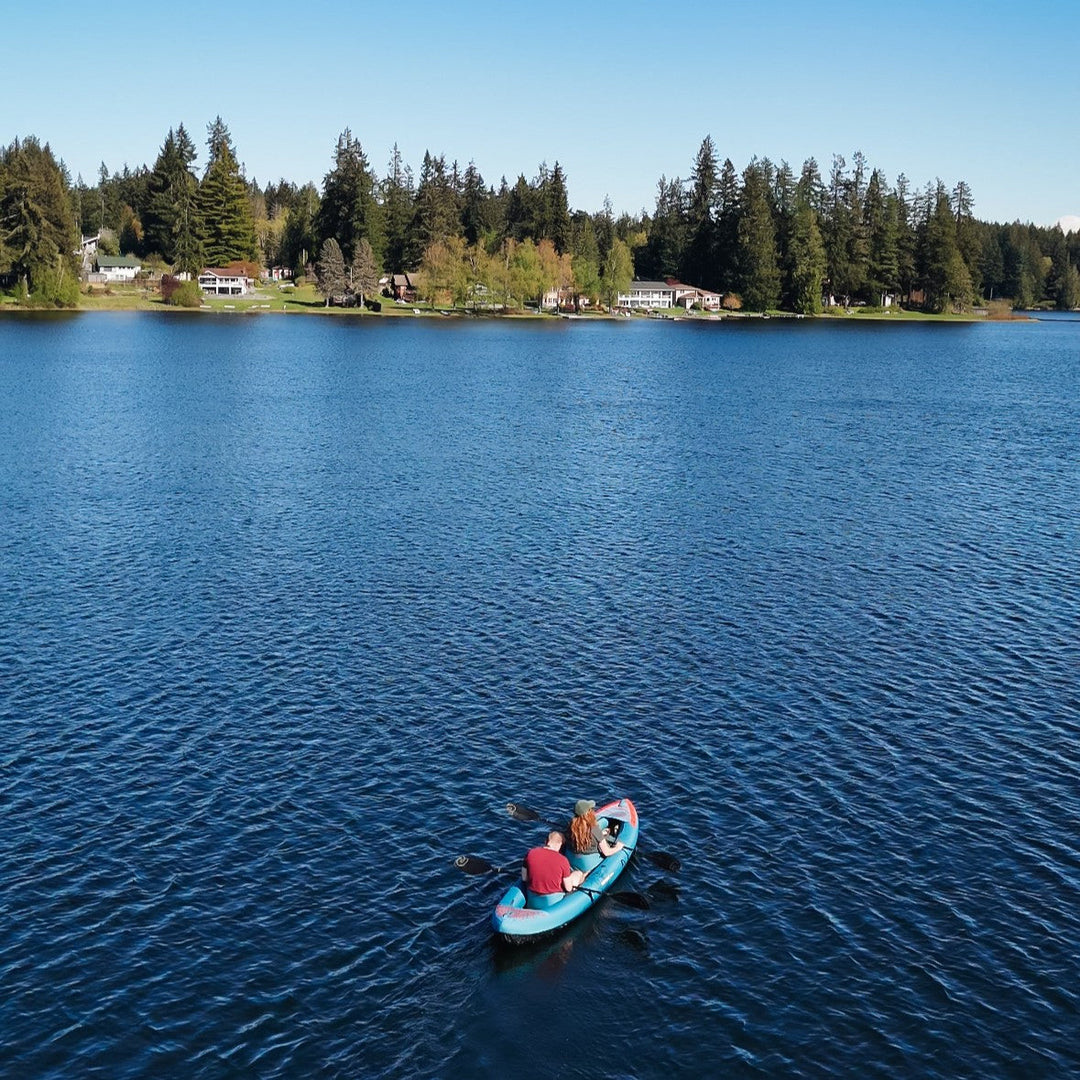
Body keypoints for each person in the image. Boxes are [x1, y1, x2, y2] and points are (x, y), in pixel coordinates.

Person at [522, 831, 585, 904]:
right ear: (559, 844)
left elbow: (524, 878)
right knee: (578, 874)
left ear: (546, 841)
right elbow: (568, 888)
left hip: (532, 899)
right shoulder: (563, 860)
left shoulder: (530, 853)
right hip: (553, 901)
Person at [566, 799, 625, 870]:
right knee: (610, 841)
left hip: (572, 858)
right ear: (588, 813)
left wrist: (600, 834)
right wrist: (618, 847)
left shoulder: (571, 827)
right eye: (591, 809)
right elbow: (607, 852)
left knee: (604, 835)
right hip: (590, 862)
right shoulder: (594, 829)